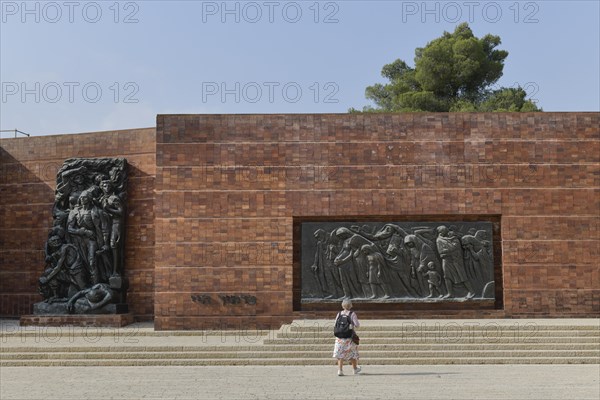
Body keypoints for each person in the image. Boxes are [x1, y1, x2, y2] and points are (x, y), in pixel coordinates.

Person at [332, 299, 361, 376]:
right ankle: (355, 369)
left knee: (340, 354)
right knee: (352, 353)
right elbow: (357, 325)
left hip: (339, 337)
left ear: (342, 305)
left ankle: (340, 370)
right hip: (349, 337)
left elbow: (335, 324)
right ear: (350, 305)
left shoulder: (339, 313)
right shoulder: (352, 314)